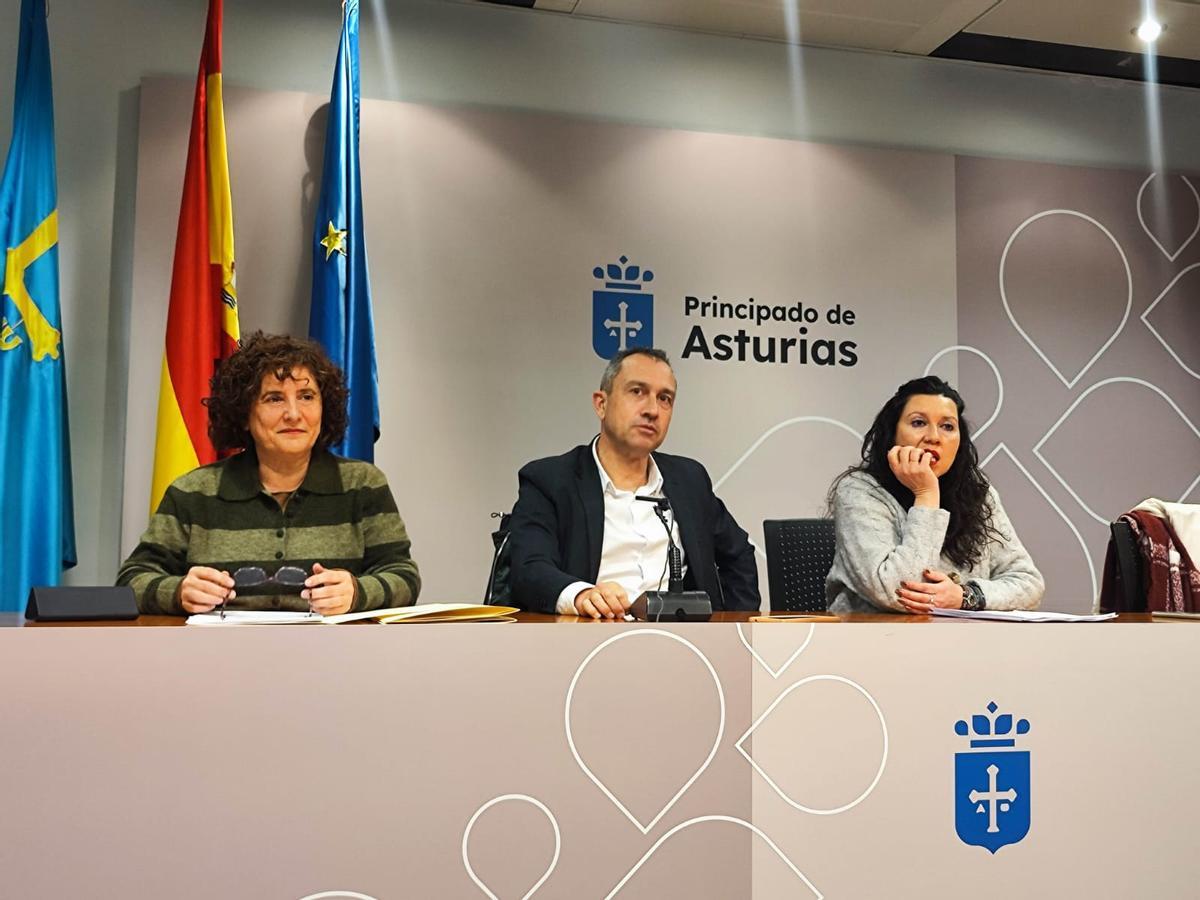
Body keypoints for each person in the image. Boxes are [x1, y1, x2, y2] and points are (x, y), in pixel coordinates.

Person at [117, 332, 420, 616]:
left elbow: (404, 577)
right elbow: (132, 580)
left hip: (333, 662)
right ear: (244, 415)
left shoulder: (363, 485)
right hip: (219, 663)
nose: (293, 413)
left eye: (306, 396)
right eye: (274, 398)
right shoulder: (195, 491)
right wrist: (179, 590)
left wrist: (357, 592)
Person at [509, 347, 759, 618]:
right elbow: (530, 568)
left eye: (665, 398)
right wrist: (580, 595)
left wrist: (735, 628)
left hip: (685, 646)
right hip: (588, 643)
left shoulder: (689, 479)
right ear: (601, 404)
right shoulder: (550, 480)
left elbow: (739, 556)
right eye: (637, 391)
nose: (653, 410)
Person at [825, 375, 1043, 614]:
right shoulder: (860, 490)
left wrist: (966, 596)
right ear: (892, 434)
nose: (934, 437)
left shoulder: (979, 494)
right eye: (918, 423)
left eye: (947, 426)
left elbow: (1029, 584)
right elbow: (896, 593)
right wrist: (926, 494)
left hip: (961, 644)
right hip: (874, 643)